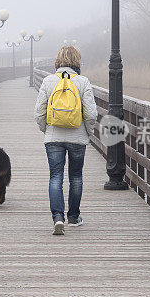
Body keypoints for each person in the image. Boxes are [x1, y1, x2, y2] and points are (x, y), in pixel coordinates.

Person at [33, 45, 98, 235]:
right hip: (78, 138)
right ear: (77, 61)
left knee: (56, 177)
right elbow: (91, 113)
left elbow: (38, 113)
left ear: (57, 60)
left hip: (53, 138)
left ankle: (57, 218)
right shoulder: (83, 81)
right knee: (76, 177)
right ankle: (74, 217)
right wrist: (88, 132)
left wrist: (47, 130)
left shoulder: (48, 81)